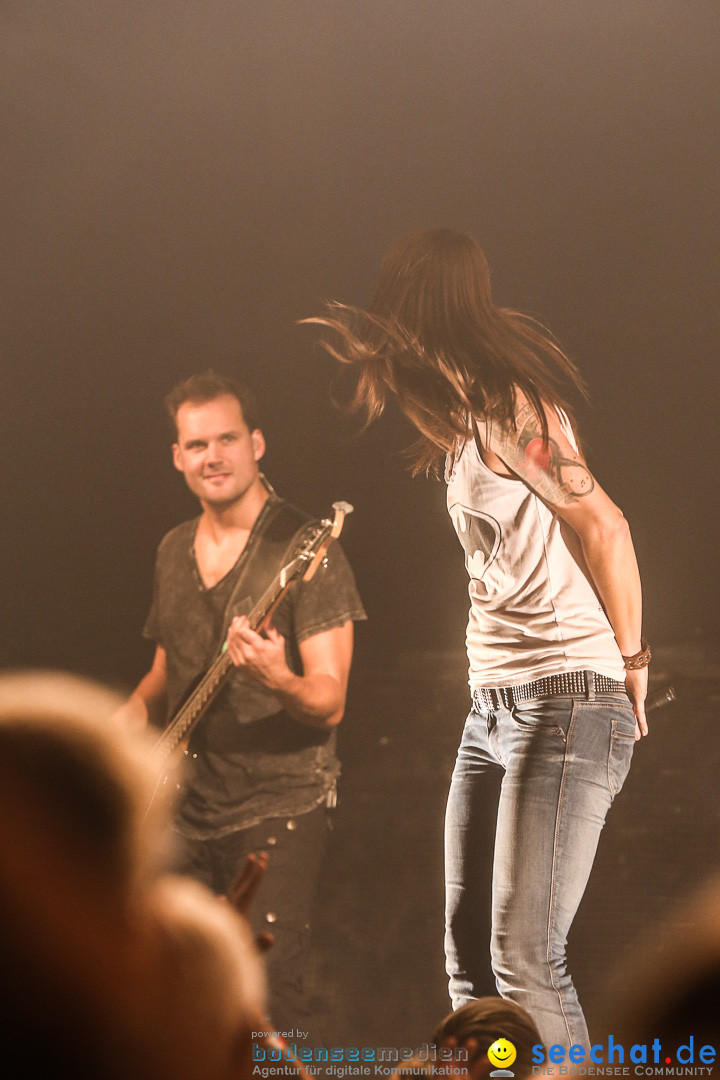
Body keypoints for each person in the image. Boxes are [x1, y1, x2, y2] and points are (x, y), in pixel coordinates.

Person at [305, 229, 649, 1050]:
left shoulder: (509, 405)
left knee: (525, 955)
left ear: (420, 312)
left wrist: (632, 663)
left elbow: (605, 524)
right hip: (491, 710)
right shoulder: (467, 417)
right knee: (469, 961)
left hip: (566, 697)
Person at [118, 370, 366, 1034]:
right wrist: (130, 716)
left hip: (277, 810)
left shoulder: (307, 549)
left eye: (227, 439)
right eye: (197, 445)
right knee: (174, 1000)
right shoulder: (173, 549)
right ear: (177, 456)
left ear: (257, 444)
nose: (213, 456)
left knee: (266, 1007)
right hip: (184, 809)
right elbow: (170, 667)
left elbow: (329, 700)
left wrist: (279, 679)